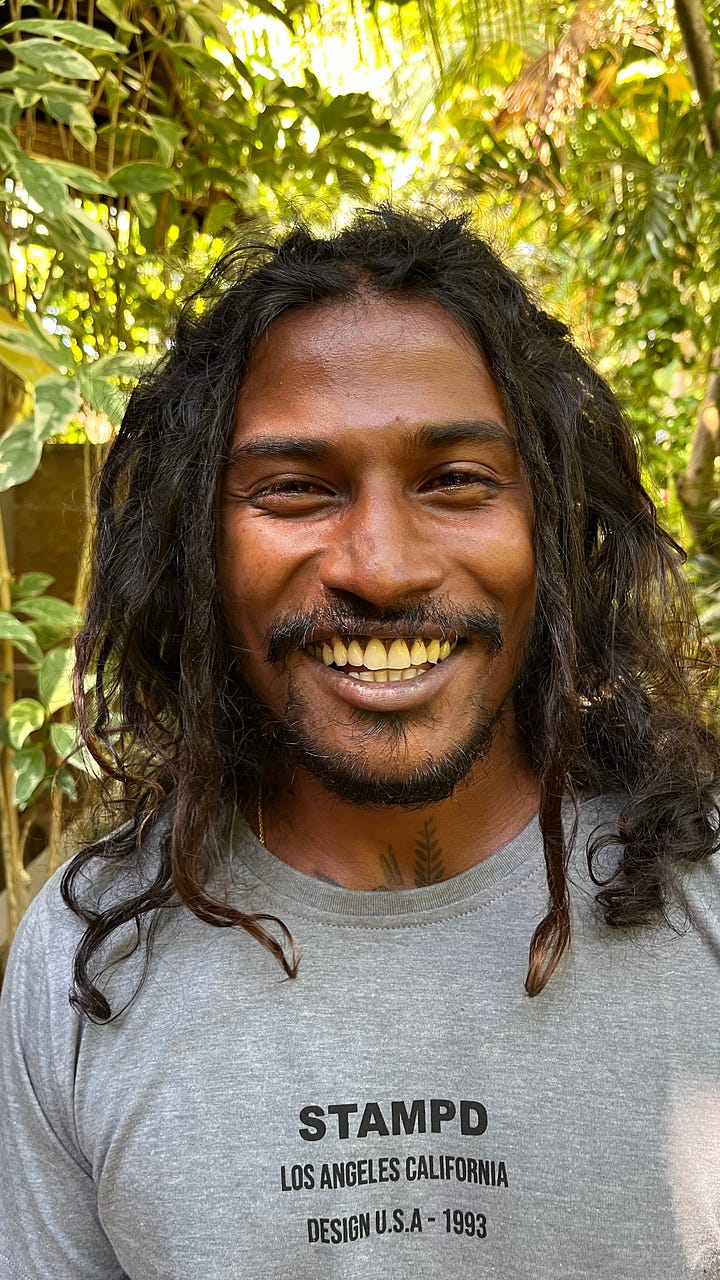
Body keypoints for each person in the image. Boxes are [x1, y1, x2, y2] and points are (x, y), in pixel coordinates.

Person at [1, 206, 719, 1280]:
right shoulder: (83, 962)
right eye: (295, 488)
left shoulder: (706, 901)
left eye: (457, 481)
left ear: (558, 528)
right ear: (197, 544)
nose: (381, 567)